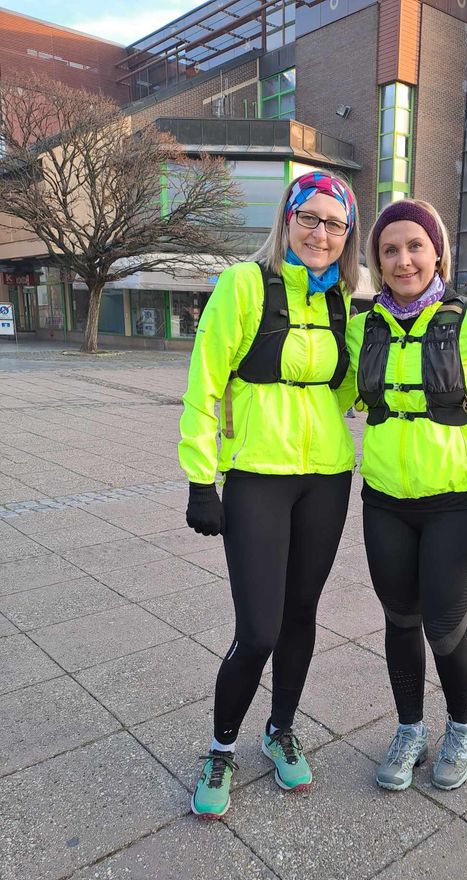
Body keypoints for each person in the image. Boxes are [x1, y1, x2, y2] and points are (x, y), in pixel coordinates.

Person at [178, 170, 360, 817]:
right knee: (258, 629)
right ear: (286, 221)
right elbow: (204, 387)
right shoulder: (244, 286)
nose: (320, 232)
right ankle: (221, 746)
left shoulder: (344, 302)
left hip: (327, 480)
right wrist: (202, 479)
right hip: (256, 477)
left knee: (302, 617)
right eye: (308, 218)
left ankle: (280, 730)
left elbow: (357, 389)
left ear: (347, 235)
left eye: (333, 223)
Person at [345, 199, 467, 792]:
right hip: (386, 502)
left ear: (437, 251)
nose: (403, 260)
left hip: (457, 503)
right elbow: (325, 386)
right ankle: (409, 728)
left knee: (444, 630)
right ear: (376, 258)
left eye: (415, 246)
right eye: (389, 250)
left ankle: (461, 726)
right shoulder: (362, 322)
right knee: (400, 620)